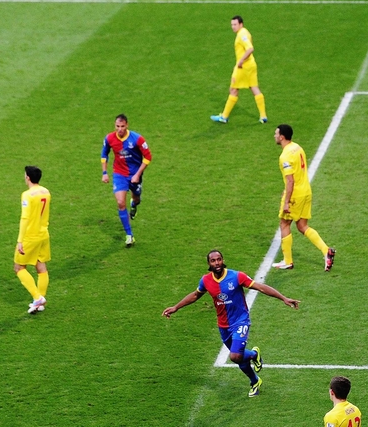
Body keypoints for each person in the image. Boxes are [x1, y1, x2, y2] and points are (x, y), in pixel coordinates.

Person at [162, 250, 300, 397]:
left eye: (219, 259)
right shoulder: (206, 280)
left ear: (223, 260)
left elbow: (260, 287)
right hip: (223, 326)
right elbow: (196, 295)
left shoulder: (236, 276)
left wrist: (283, 298)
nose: (217, 263)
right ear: (209, 263)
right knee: (239, 358)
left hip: (241, 321)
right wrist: (176, 307)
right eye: (213, 261)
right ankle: (254, 378)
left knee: (234, 356)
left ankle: (253, 355)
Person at [272, 124, 336, 271]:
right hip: (306, 190)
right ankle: (326, 251)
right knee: (302, 226)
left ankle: (287, 261)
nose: (275, 136)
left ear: (282, 136)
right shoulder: (297, 147)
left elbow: (290, 180)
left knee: (284, 224)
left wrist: (287, 201)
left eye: (276, 134)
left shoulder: (285, 156)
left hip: (295, 195)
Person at [101, 114, 151, 247]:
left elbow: (147, 157)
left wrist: (137, 174)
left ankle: (134, 204)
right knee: (120, 202)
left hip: (135, 174)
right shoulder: (109, 138)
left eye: (122, 126)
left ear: (127, 125)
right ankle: (129, 235)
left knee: (136, 199)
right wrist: (104, 173)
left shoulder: (137, 138)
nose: (120, 129)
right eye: (117, 126)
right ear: (115, 126)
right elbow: (104, 154)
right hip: (119, 174)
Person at [211, 15, 268, 125]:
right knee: (254, 88)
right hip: (251, 65)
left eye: (235, 24)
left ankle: (224, 117)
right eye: (232, 25)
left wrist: (241, 61)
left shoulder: (241, 35)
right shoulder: (245, 32)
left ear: (241, 24)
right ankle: (263, 116)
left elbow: (250, 48)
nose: (233, 27)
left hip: (243, 67)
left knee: (233, 90)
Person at [14, 166, 51, 314]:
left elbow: (25, 218)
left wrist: (20, 240)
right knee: (41, 268)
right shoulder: (46, 192)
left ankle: (37, 297)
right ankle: (40, 302)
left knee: (19, 268)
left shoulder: (27, 195)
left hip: (30, 236)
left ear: (28, 177)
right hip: (43, 234)